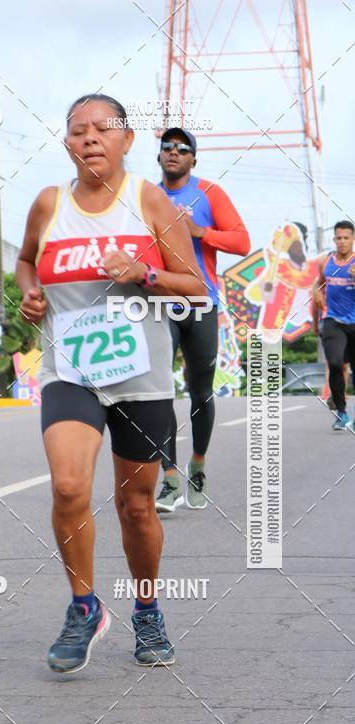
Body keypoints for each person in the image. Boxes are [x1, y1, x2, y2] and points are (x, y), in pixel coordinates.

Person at [17, 94, 206, 674]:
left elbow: (194, 286)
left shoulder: (147, 200)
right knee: (69, 488)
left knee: (137, 506)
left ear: (127, 140)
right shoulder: (49, 203)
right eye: (78, 130)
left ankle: (147, 609)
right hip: (70, 372)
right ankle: (84, 606)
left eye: (104, 128)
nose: (91, 137)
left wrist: (145, 273)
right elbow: (27, 260)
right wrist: (29, 290)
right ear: (68, 144)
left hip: (140, 377)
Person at [154, 127, 250, 512]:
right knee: (158, 392)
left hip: (201, 304)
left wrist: (201, 232)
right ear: (159, 156)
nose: (173, 152)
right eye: (167, 147)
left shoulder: (210, 193)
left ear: (193, 158)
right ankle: (170, 479)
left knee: (200, 394)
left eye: (182, 148)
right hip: (159, 305)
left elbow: (241, 241)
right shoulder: (146, 196)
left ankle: (197, 464)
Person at [313, 221, 355, 430]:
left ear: (353, 239)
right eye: (339, 238)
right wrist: (316, 291)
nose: (342, 242)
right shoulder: (326, 261)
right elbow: (318, 282)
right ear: (334, 240)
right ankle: (341, 412)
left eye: (346, 238)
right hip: (333, 320)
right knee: (336, 364)